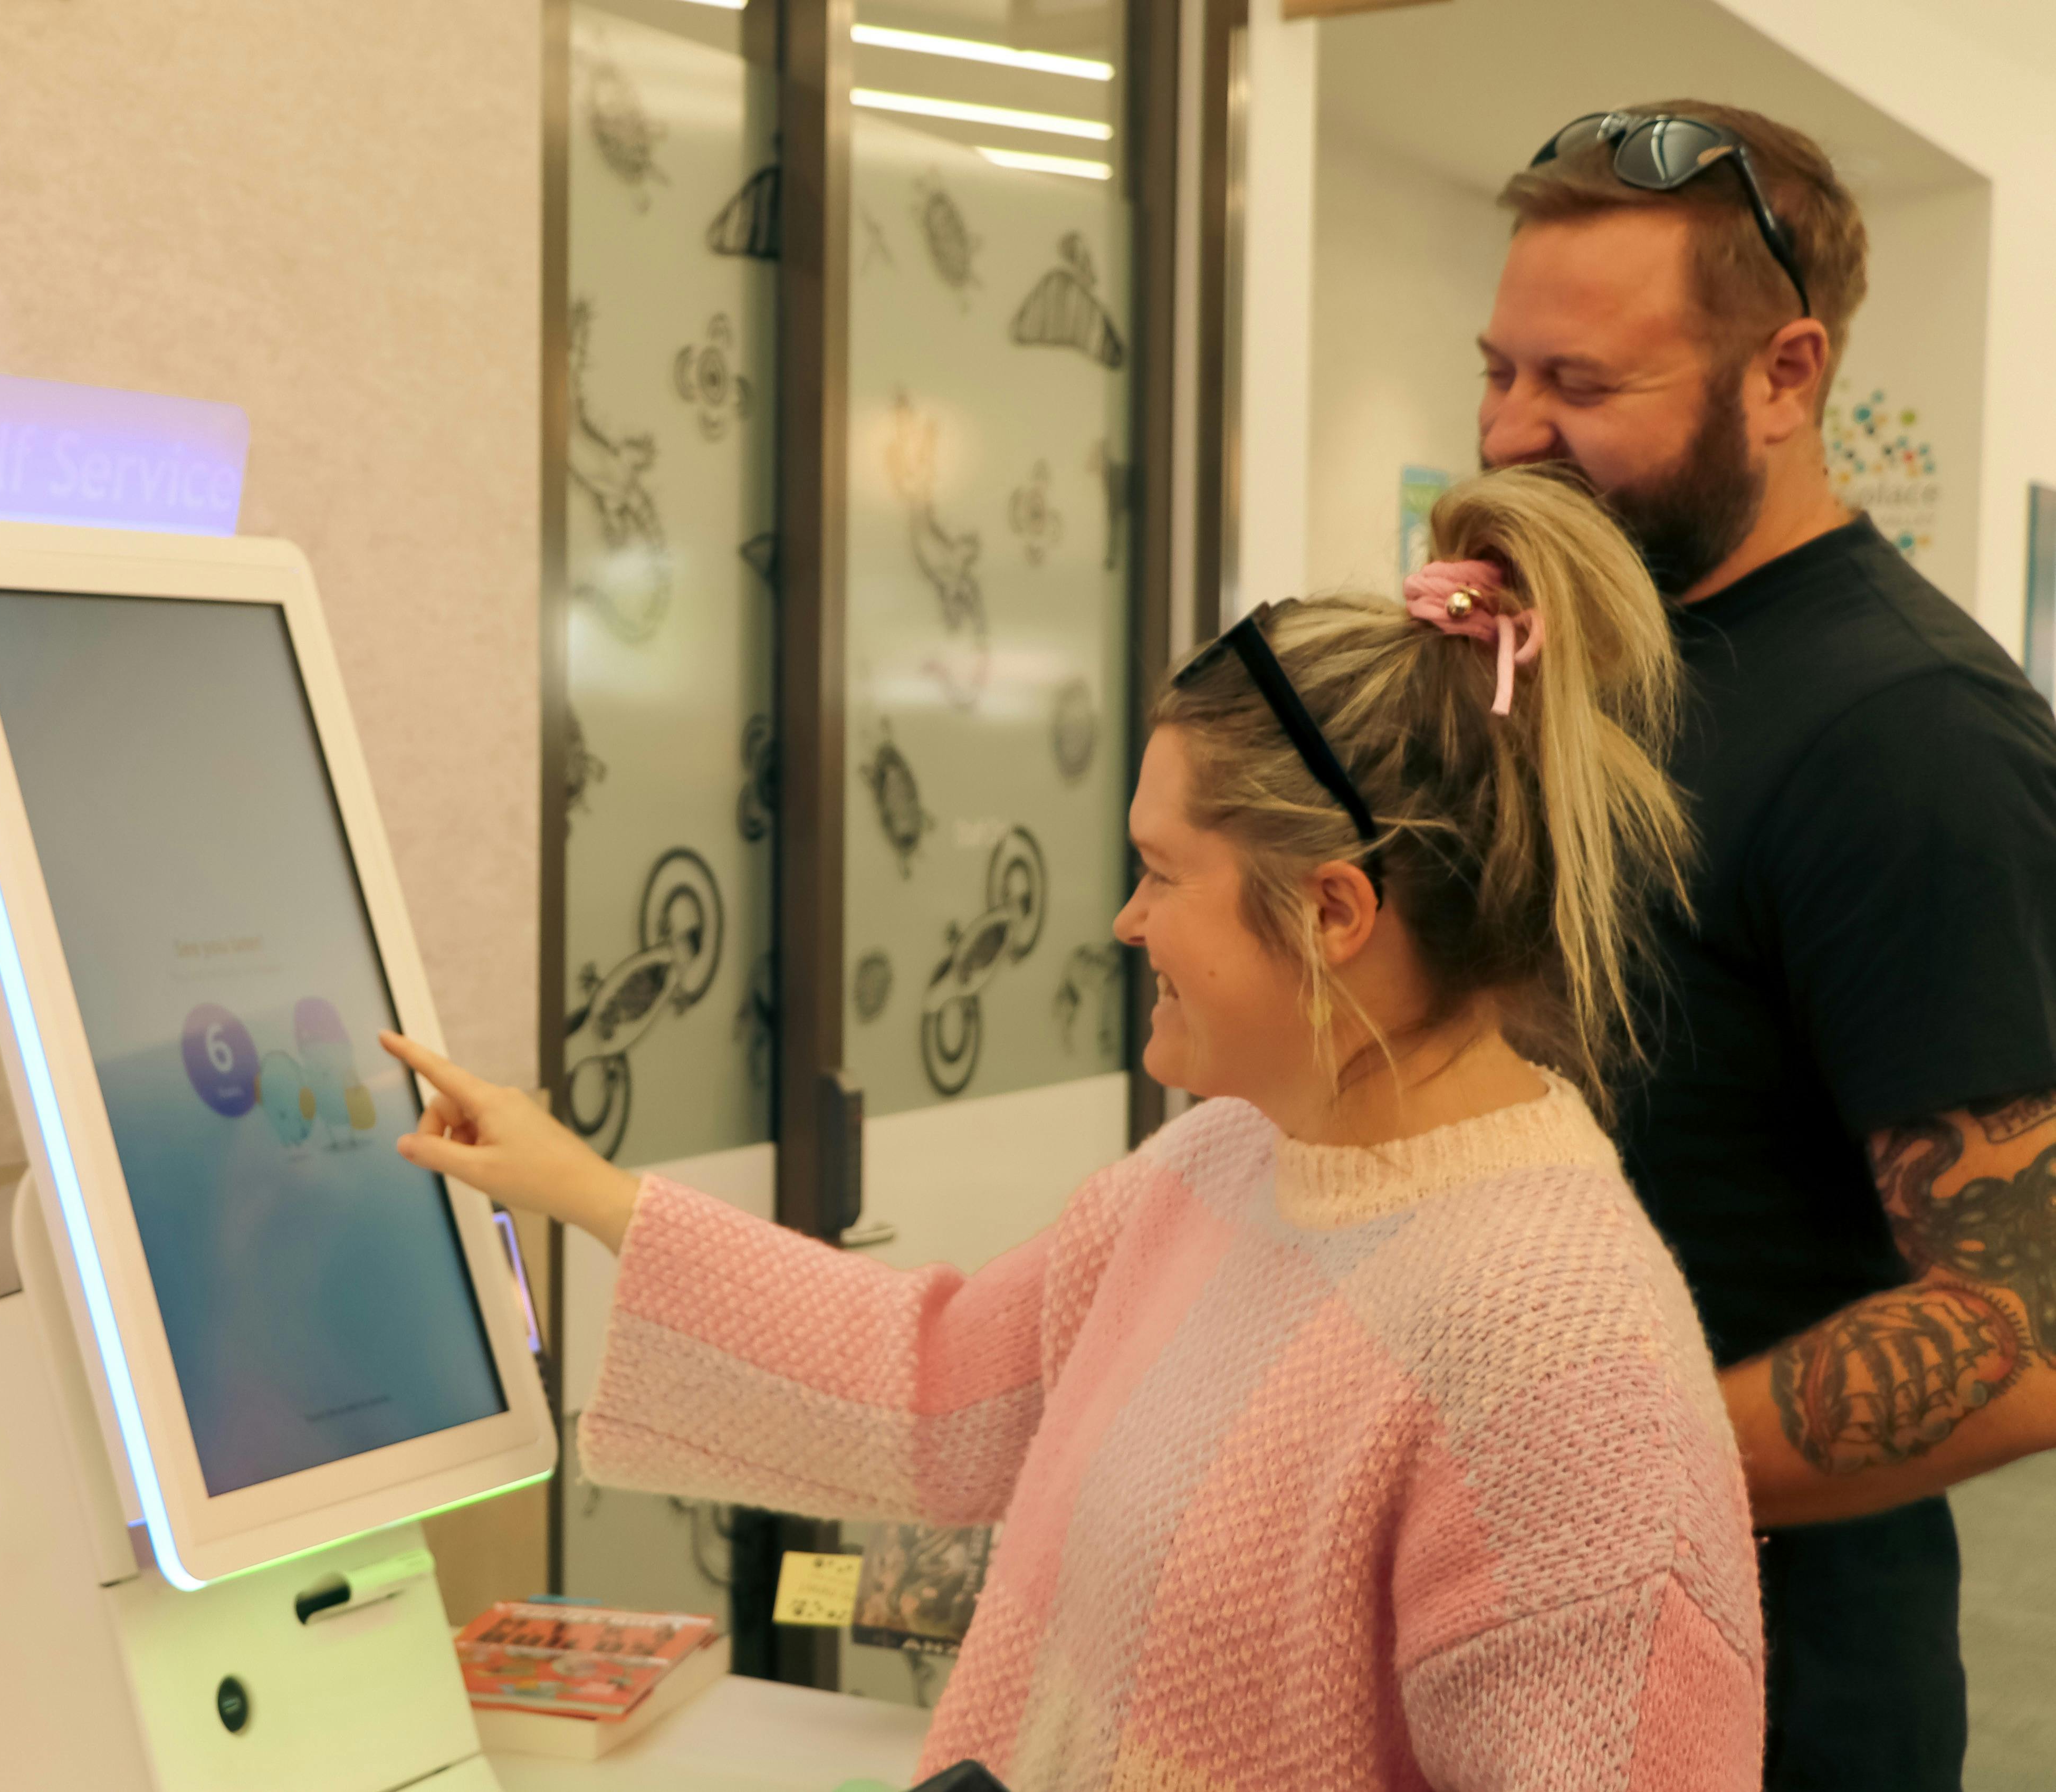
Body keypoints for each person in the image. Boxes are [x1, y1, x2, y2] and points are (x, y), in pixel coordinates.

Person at [384, 467, 1764, 1791]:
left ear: (1333, 914)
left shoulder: (1573, 1361)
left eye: (1164, 873)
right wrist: (580, 1187)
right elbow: (939, 1386)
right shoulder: (1224, 1166)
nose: (1125, 922)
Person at [1478, 102, 2056, 1789]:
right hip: (1517, 1655)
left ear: (1787, 376)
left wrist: (1550, 1465)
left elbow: (2030, 1332)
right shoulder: (1608, 658)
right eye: (1500, 371)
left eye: (1583, 389)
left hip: (1766, 1702)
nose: (1513, 434)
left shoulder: (1911, 735)